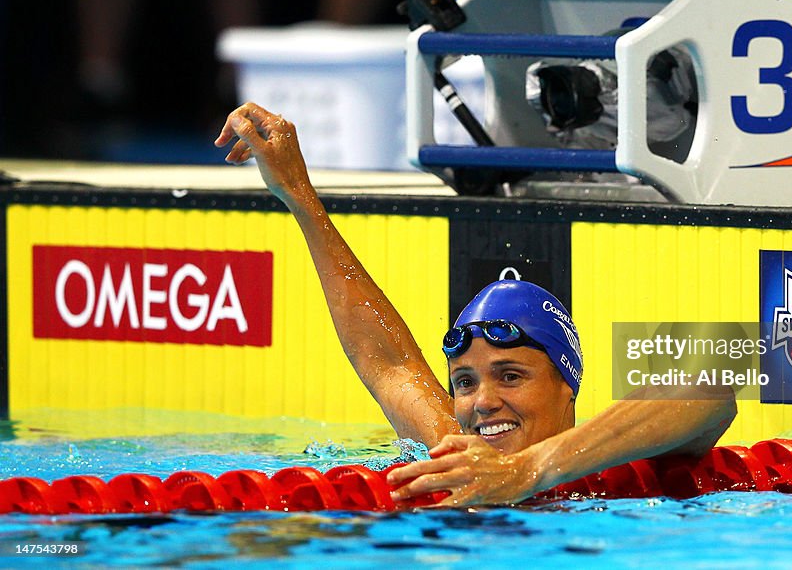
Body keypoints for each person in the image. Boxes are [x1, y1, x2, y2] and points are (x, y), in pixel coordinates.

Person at [214, 102, 736, 506]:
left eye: (510, 375)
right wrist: (298, 193)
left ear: (566, 385)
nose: (481, 402)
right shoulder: (452, 453)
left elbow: (710, 384)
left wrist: (529, 471)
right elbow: (391, 366)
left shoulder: (622, 457)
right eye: (464, 381)